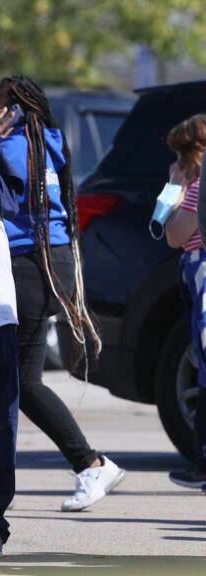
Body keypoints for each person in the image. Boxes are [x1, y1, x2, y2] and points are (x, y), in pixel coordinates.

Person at [0, 75, 125, 511]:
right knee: (11, 380)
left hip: (31, 263)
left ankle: (91, 462)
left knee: (22, 382)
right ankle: (83, 464)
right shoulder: (50, 139)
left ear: (14, 107)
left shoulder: (8, 146)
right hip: (53, 258)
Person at [163, 114, 206, 489]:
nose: (175, 164)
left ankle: (203, 460)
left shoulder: (196, 187)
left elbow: (175, 235)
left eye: (180, 155)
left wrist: (175, 190)